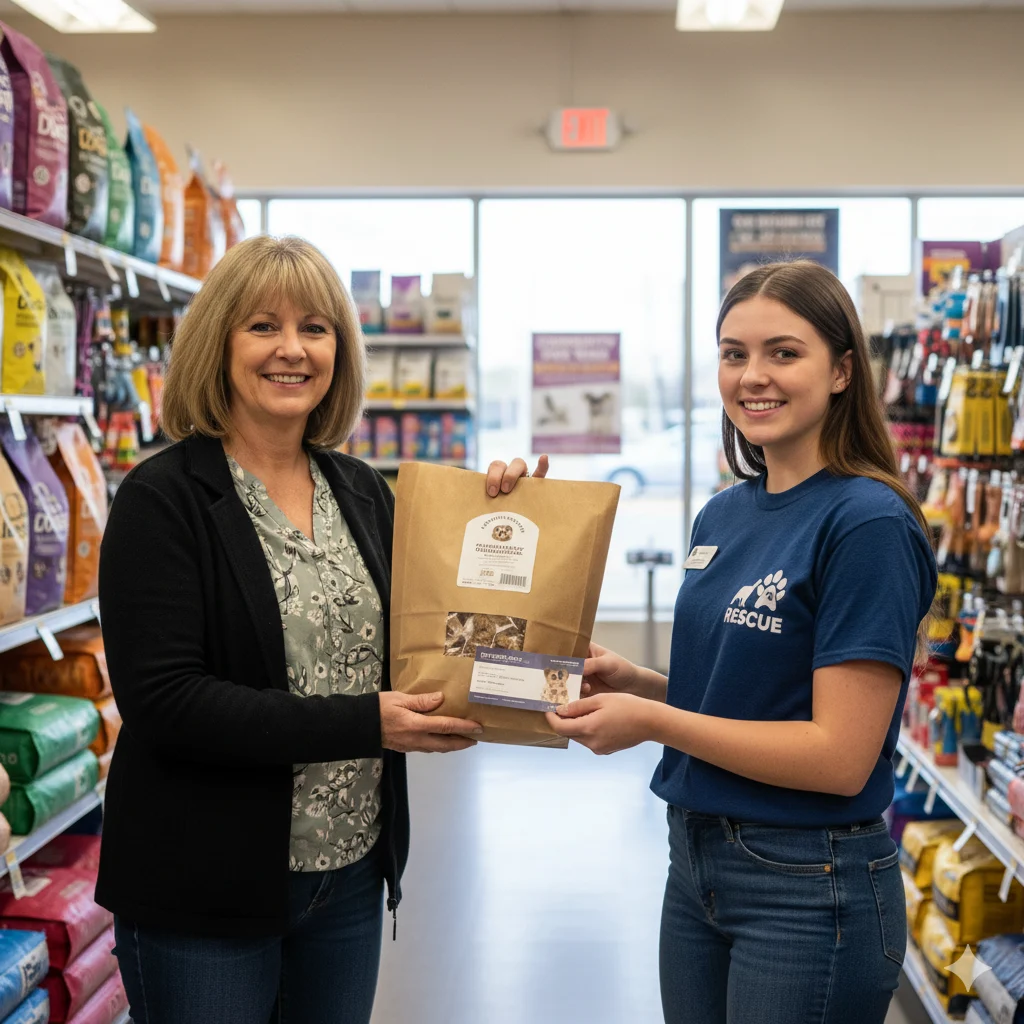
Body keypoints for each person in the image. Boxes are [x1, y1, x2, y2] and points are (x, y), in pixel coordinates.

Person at [96, 234, 544, 1024]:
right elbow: (166, 701)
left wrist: (502, 515)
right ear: (218, 344)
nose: (292, 350)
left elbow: (440, 628)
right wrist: (365, 721)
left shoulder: (362, 489)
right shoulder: (161, 498)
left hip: (348, 874)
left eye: (316, 327)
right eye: (262, 326)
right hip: (205, 885)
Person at [547, 260, 937, 1024]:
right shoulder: (724, 516)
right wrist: (643, 684)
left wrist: (656, 724)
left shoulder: (868, 524)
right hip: (694, 864)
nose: (753, 376)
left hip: (809, 882)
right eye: (734, 353)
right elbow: (758, 690)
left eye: (783, 353)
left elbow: (837, 755)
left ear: (842, 371)